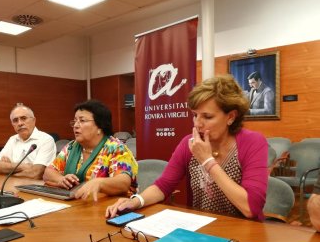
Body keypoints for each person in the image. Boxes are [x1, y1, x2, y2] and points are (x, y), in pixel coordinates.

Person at [106, 75, 268, 221]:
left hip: (245, 232)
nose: (197, 123)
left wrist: (208, 161)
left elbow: (251, 208)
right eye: (195, 115)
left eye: (207, 116)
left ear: (231, 117)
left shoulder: (252, 142)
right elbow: (164, 186)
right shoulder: (188, 143)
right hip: (203, 228)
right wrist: (135, 201)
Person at [43, 99, 138, 201]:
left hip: (110, 205)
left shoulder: (116, 149)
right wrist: (61, 179)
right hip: (76, 203)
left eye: (82, 120)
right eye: (75, 121)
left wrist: (99, 183)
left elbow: (123, 183)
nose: (75, 125)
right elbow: (49, 172)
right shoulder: (72, 146)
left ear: (100, 126)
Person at [0, 104, 56, 179]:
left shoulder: (46, 139)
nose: (20, 123)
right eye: (15, 120)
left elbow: (36, 173)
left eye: (23, 118)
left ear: (34, 120)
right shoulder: (12, 139)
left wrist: (7, 170)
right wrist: (24, 166)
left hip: (34, 188)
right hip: (11, 186)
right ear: (12, 124)